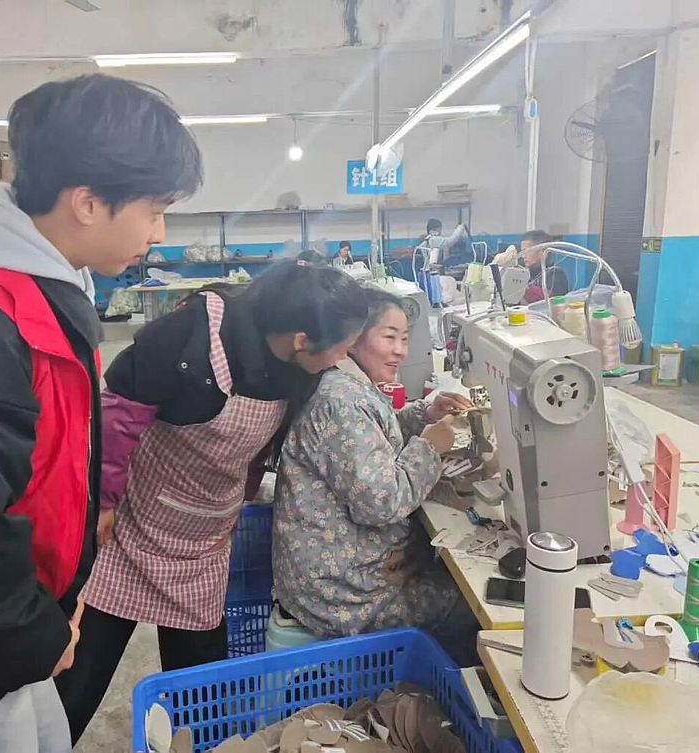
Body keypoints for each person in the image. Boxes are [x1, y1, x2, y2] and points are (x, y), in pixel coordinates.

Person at [0, 74, 201, 753]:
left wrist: (60, 600)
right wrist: (33, 635)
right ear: (88, 202)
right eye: (155, 210)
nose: (159, 232)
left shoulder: (39, 294)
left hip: (15, 632)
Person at [56, 261, 368, 743]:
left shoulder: (299, 370)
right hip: (130, 525)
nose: (344, 359)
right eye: (342, 347)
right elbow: (117, 416)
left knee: (201, 694)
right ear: (301, 340)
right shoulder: (195, 335)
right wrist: (106, 499)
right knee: (80, 672)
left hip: (205, 543)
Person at [273, 286, 479, 666]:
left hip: (334, 573)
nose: (401, 351)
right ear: (352, 338)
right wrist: (429, 449)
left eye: (405, 339)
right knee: (469, 600)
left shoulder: (345, 385)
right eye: (389, 337)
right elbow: (381, 503)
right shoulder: (342, 401)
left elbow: (369, 436)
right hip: (342, 595)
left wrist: (424, 415)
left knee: (447, 566)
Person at [494, 230, 569, 303]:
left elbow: (550, 299)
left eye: (526, 251)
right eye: (522, 252)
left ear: (542, 251)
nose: (523, 255)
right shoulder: (525, 271)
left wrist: (519, 288)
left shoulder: (556, 274)